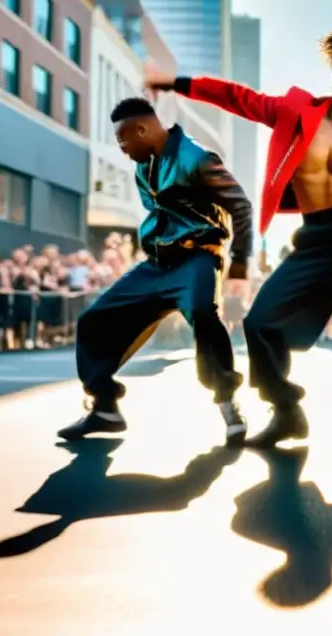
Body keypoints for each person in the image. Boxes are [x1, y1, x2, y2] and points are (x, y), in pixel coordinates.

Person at [143, 32, 332, 464]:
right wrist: (174, 83)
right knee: (260, 323)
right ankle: (285, 410)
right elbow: (237, 97)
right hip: (317, 239)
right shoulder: (293, 110)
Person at [58, 98, 253, 444]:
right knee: (93, 321)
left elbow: (240, 205)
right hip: (157, 264)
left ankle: (227, 402)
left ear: (143, 129)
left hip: (198, 258)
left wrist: (239, 264)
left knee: (204, 316)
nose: (122, 148)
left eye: (123, 140)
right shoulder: (143, 166)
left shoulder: (197, 157)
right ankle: (104, 408)